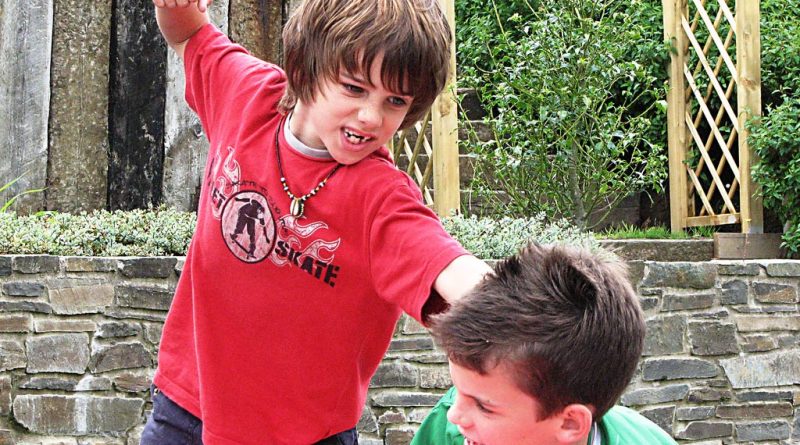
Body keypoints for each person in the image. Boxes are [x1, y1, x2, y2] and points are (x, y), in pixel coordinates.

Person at [142, 0, 492, 443]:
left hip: (305, 435)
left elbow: (449, 267)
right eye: (354, 88)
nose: (371, 116)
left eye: (395, 101)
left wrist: (529, 315)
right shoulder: (246, 95)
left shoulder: (382, 199)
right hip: (184, 411)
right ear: (306, 69)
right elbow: (190, 33)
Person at [411, 243, 678, 445]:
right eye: (458, 390)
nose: (454, 415)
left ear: (570, 423)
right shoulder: (448, 431)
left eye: (484, 407)